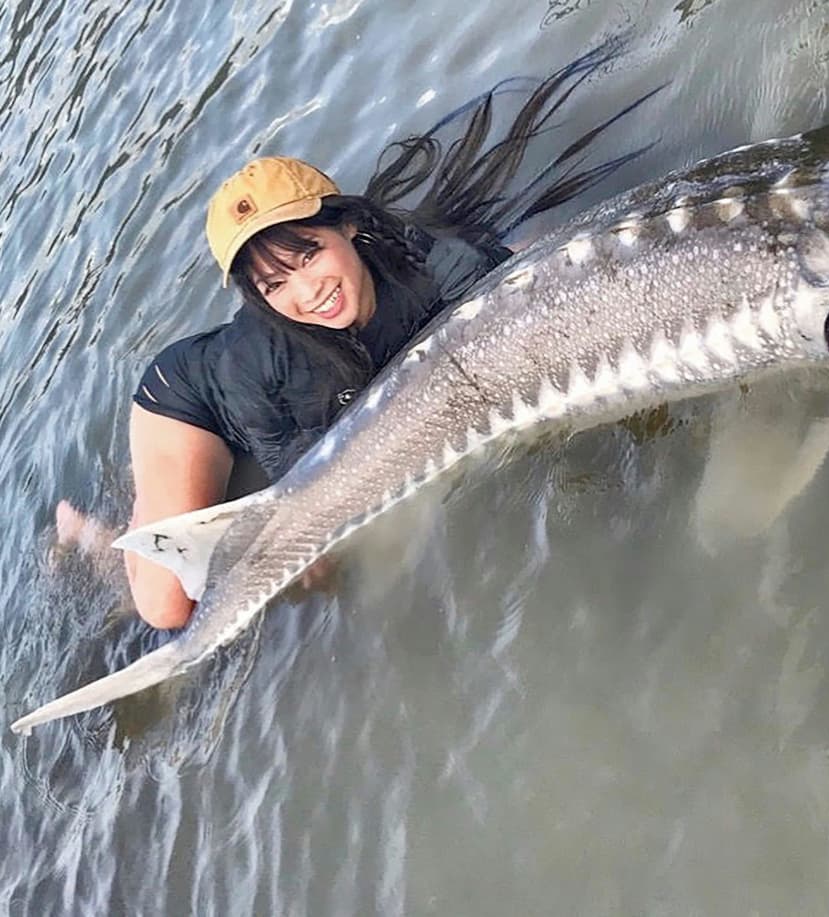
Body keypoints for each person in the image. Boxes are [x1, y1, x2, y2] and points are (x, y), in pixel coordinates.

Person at [63, 43, 654, 631]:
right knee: (169, 609)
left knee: (515, 268)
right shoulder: (260, 359)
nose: (307, 293)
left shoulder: (438, 264)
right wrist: (307, 538)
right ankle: (105, 537)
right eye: (274, 284)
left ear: (346, 223)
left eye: (310, 254)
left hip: (352, 357)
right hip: (192, 404)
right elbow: (300, 478)